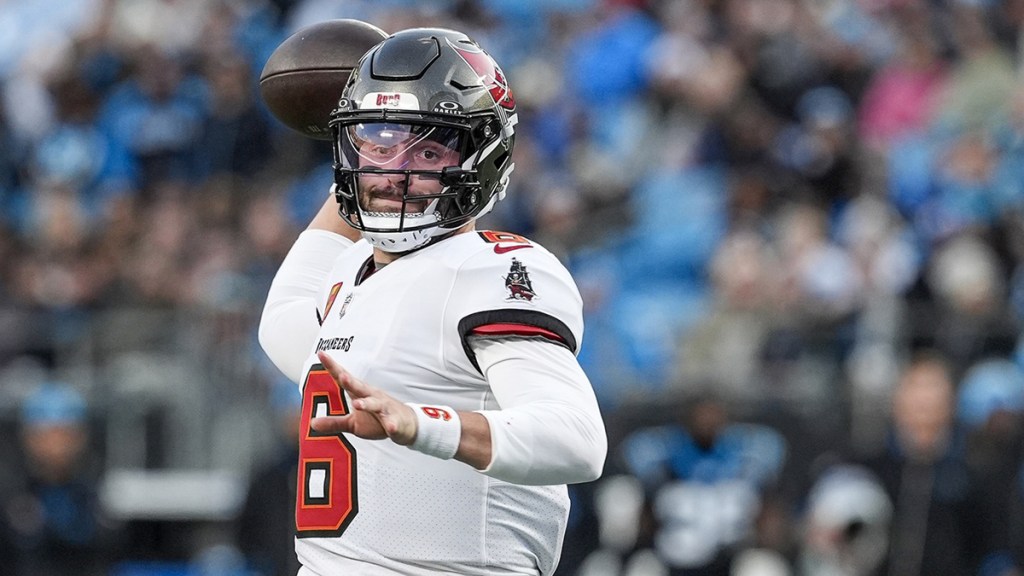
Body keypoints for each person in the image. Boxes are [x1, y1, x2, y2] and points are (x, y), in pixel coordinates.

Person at [258, 27, 607, 576]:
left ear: (483, 155)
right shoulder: (354, 269)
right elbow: (282, 324)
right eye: (374, 144)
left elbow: (577, 440)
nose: (394, 171)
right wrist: (378, 88)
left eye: (429, 148)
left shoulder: (489, 267)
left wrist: (421, 425)